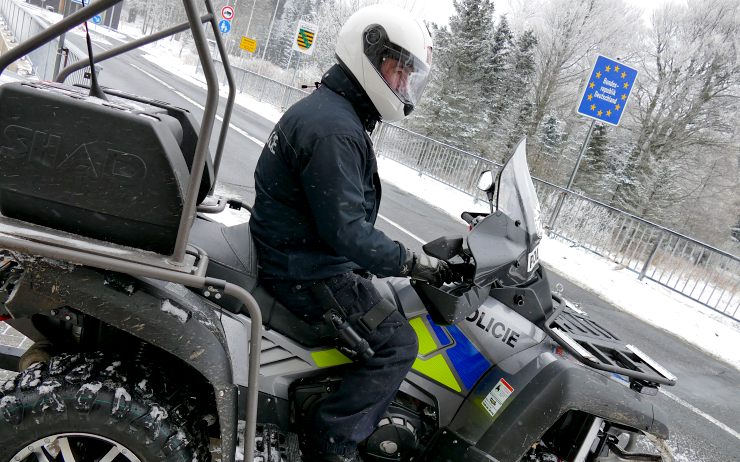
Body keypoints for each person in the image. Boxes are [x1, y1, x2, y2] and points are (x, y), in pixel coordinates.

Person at [249, 5, 448, 461]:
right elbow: (347, 232)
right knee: (398, 343)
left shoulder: (333, 112)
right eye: (398, 71)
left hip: (297, 250)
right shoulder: (334, 128)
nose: (402, 84)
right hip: (304, 269)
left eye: (406, 75)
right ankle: (332, 441)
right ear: (370, 55)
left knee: (388, 299)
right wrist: (412, 263)